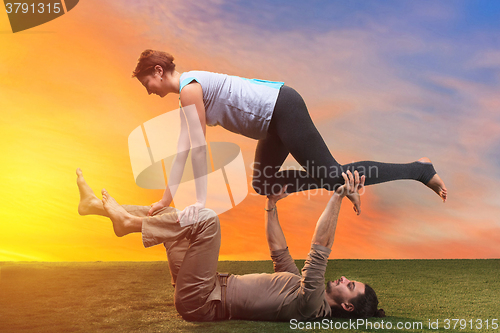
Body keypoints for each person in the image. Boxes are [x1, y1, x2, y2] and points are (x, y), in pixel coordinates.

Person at [131, 50, 447, 224]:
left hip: (282, 108)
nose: (148, 90)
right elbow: (184, 149)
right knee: (264, 184)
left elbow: (199, 150)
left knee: (335, 173)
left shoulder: (190, 89)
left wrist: (199, 203)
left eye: (147, 82)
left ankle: (420, 169)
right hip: (271, 125)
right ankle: (334, 182)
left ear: (158, 70)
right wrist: (165, 199)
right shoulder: (188, 93)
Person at [77, 167, 385, 321]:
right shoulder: (302, 288)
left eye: (351, 285)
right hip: (203, 284)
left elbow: (320, 247)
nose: (344, 278)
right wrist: (271, 206)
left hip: (201, 300)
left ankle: (128, 223)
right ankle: (93, 206)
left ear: (346, 305)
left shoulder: (312, 305)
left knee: (206, 219)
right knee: (175, 216)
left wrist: (338, 194)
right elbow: (279, 253)